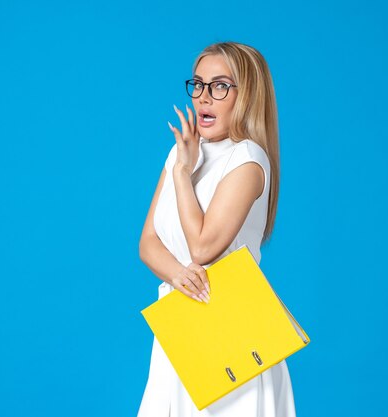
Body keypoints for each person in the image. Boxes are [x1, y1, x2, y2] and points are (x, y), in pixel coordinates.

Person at [136, 42, 296, 416]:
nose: (204, 98)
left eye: (220, 86)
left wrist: (182, 176)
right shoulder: (182, 151)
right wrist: (178, 277)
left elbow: (203, 248)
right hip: (180, 331)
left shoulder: (248, 158)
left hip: (232, 339)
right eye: (199, 84)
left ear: (247, 95)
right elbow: (148, 243)